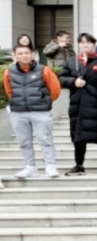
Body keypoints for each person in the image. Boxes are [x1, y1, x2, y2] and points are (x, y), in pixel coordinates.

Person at [59, 33, 97, 176]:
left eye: (89, 42)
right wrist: (73, 81)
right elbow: (61, 78)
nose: (85, 45)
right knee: (77, 136)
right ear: (79, 44)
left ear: (94, 45)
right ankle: (79, 165)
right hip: (77, 104)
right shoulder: (72, 62)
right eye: (82, 42)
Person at [3, 42, 62, 179]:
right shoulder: (8, 72)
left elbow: (55, 89)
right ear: (14, 55)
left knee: (45, 139)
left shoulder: (44, 70)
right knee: (23, 141)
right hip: (18, 112)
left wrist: (44, 101)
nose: (24, 56)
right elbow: (8, 90)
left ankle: (50, 166)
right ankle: (30, 167)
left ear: (33, 55)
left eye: (27, 53)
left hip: (40, 111)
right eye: (20, 53)